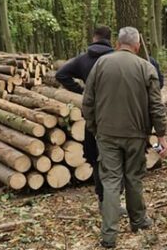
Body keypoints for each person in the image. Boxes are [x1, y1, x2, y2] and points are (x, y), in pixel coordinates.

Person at [82, 27, 167, 248]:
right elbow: (156, 106)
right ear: (137, 46)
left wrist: (94, 127)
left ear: (118, 43)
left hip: (107, 134)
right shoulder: (146, 67)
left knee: (110, 181)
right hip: (136, 134)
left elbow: (88, 101)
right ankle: (138, 221)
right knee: (133, 178)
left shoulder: (100, 64)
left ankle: (109, 235)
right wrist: (161, 136)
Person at [54, 26, 114, 207]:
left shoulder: (83, 59)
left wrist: (80, 91)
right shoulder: (115, 59)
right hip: (114, 112)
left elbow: (61, 74)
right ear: (110, 39)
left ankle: (103, 198)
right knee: (114, 156)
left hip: (92, 115)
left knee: (94, 155)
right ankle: (114, 199)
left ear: (94, 38)